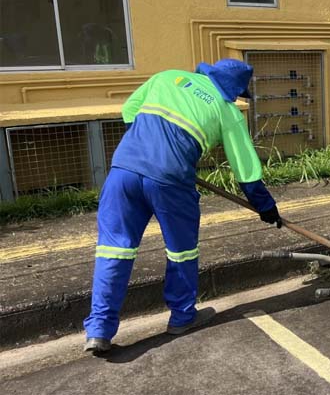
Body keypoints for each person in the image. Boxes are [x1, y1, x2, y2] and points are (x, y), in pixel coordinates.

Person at [83, 59, 282, 353]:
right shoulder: (226, 110)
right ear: (234, 90)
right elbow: (246, 171)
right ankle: (182, 316)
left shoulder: (167, 77)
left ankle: (99, 330)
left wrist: (149, 144)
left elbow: (129, 111)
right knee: (181, 250)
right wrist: (266, 207)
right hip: (170, 180)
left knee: (114, 249)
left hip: (123, 170)